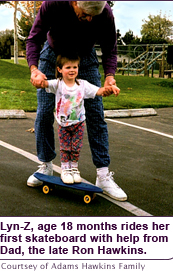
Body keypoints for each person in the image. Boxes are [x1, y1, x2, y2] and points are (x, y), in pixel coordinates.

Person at [26, 1, 127, 201]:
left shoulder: (104, 13)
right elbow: (34, 38)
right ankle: (46, 166)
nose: (90, 19)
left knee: (96, 113)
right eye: (86, 14)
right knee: (45, 111)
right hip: (53, 55)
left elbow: (110, 47)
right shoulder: (53, 4)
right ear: (74, 2)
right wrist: (34, 69)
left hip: (84, 58)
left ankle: (103, 175)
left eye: (94, 16)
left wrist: (109, 75)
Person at [42, 53, 120, 184]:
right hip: (64, 124)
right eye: (68, 67)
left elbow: (98, 91)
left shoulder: (83, 85)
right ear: (59, 69)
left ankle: (74, 169)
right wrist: (38, 79)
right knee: (66, 147)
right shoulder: (58, 84)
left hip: (78, 123)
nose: (72, 70)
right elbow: (44, 84)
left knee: (76, 148)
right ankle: (65, 169)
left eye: (75, 67)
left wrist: (109, 89)